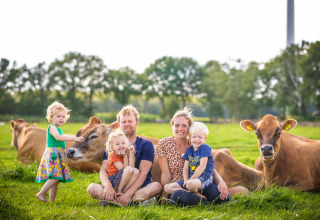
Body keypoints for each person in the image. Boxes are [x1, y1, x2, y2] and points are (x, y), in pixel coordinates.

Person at [156, 107, 248, 206]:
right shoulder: (164, 143)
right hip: (180, 186)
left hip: (201, 182)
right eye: (177, 125)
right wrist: (164, 196)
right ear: (172, 126)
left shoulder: (196, 143)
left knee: (214, 192)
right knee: (176, 196)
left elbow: (208, 166)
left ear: (190, 128)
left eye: (184, 125)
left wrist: (221, 182)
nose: (180, 129)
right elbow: (166, 174)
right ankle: (205, 202)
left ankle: (210, 200)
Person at [87, 105, 162, 206]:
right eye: (123, 122)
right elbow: (103, 170)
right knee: (92, 188)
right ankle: (135, 202)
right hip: (115, 186)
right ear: (119, 124)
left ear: (137, 123)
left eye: (130, 121)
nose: (127, 124)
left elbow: (143, 173)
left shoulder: (146, 144)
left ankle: (114, 201)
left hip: (139, 188)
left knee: (157, 186)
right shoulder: (111, 144)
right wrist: (108, 187)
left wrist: (128, 194)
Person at [35, 101, 85, 202]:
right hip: (53, 155)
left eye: (63, 116)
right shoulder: (52, 127)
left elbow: (61, 135)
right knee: (56, 177)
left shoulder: (58, 128)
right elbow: (58, 138)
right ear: (51, 117)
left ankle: (51, 201)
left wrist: (73, 137)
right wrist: (73, 138)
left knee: (56, 180)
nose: (61, 118)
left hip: (58, 154)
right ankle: (41, 193)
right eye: (58, 116)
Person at [164, 122, 214, 196]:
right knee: (167, 188)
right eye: (194, 137)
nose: (197, 139)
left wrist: (190, 180)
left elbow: (202, 166)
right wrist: (186, 180)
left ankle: (194, 193)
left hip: (204, 178)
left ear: (205, 138)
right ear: (190, 138)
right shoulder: (189, 150)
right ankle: (194, 194)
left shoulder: (205, 148)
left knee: (190, 185)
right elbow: (185, 168)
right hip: (191, 180)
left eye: (200, 137)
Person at [105, 129, 139, 199]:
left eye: (123, 143)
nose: (121, 146)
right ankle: (118, 191)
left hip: (122, 179)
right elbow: (123, 169)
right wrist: (125, 157)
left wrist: (131, 154)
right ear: (112, 147)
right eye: (117, 144)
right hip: (114, 180)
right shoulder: (113, 155)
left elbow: (131, 168)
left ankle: (124, 192)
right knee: (128, 169)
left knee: (136, 171)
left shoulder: (125, 152)